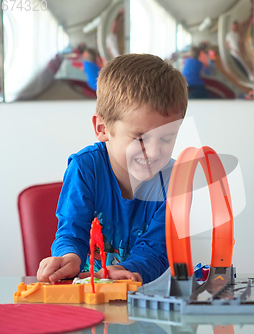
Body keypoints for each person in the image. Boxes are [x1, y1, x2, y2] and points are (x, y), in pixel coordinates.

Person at [37, 54, 188, 284]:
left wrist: (126, 270)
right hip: (87, 297)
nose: (155, 152)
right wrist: (68, 257)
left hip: (142, 301)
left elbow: (157, 250)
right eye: (140, 138)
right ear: (102, 128)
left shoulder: (174, 180)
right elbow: (71, 232)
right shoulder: (85, 168)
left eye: (167, 139)